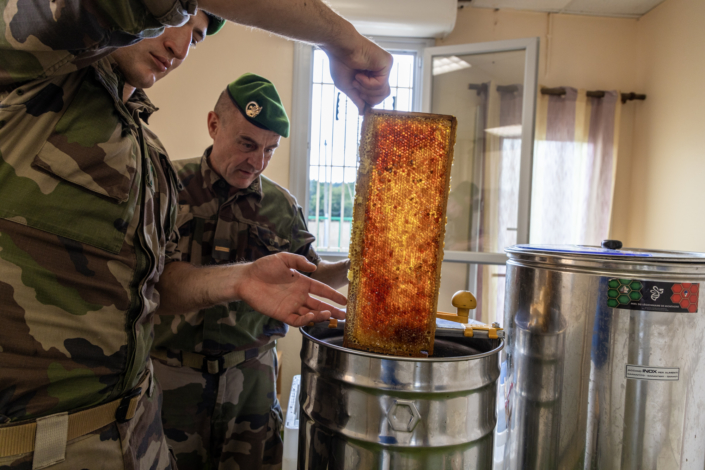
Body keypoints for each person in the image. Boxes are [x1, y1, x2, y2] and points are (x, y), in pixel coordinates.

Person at [0, 1, 391, 469]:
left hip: (146, 429)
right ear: (214, 125)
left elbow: (152, 287)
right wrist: (342, 39)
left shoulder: (148, 160)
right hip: (60, 433)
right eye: (174, 19)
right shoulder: (29, 83)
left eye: (198, 34)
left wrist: (243, 279)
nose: (180, 44)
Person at [151, 73, 349, 470]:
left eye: (270, 150)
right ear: (213, 124)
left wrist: (357, 266)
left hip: (251, 384)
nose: (257, 162)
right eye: (247, 144)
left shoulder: (281, 206)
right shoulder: (165, 185)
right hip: (170, 378)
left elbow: (309, 275)